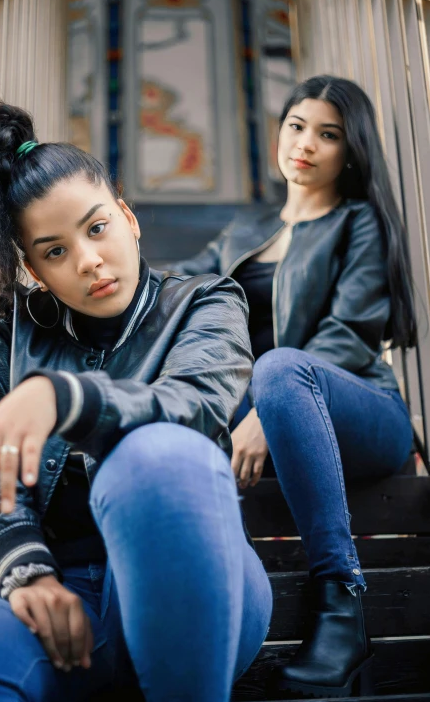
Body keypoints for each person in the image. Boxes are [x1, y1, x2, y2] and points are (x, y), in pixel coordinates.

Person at [0, 102, 272, 702]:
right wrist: (22, 564)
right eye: (54, 252)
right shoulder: (3, 327)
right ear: (32, 268)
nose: (88, 261)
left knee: (157, 456)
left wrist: (66, 397)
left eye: (97, 227)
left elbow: (195, 405)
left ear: (128, 217)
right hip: (51, 587)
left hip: (189, 576)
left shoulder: (206, 303)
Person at [169, 75, 416, 698]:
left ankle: (342, 604)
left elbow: (349, 336)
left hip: (364, 411)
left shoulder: (358, 222)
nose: (305, 143)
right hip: (272, 410)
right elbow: (173, 290)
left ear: (350, 151)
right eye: (297, 125)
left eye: (328, 134)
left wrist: (263, 414)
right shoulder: (242, 233)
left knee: (278, 366)